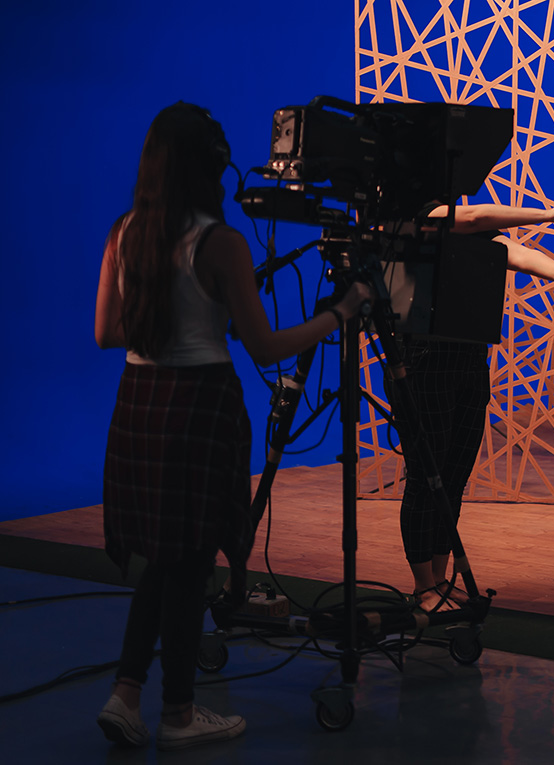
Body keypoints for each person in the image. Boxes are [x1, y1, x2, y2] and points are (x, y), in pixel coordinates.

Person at [93, 102, 371, 749]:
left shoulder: (123, 231)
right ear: (210, 165)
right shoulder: (221, 243)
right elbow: (267, 347)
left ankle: (127, 694)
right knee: (187, 564)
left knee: (166, 559)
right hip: (200, 404)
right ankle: (179, 713)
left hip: (139, 398)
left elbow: (106, 331)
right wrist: (343, 310)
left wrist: (163, 318)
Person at [399, 198, 554, 613]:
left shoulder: (472, 231)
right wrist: (551, 214)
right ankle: (422, 587)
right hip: (424, 357)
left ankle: (442, 580)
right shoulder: (414, 214)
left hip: (470, 356)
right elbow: (475, 216)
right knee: (426, 474)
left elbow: (516, 254)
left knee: (455, 473)